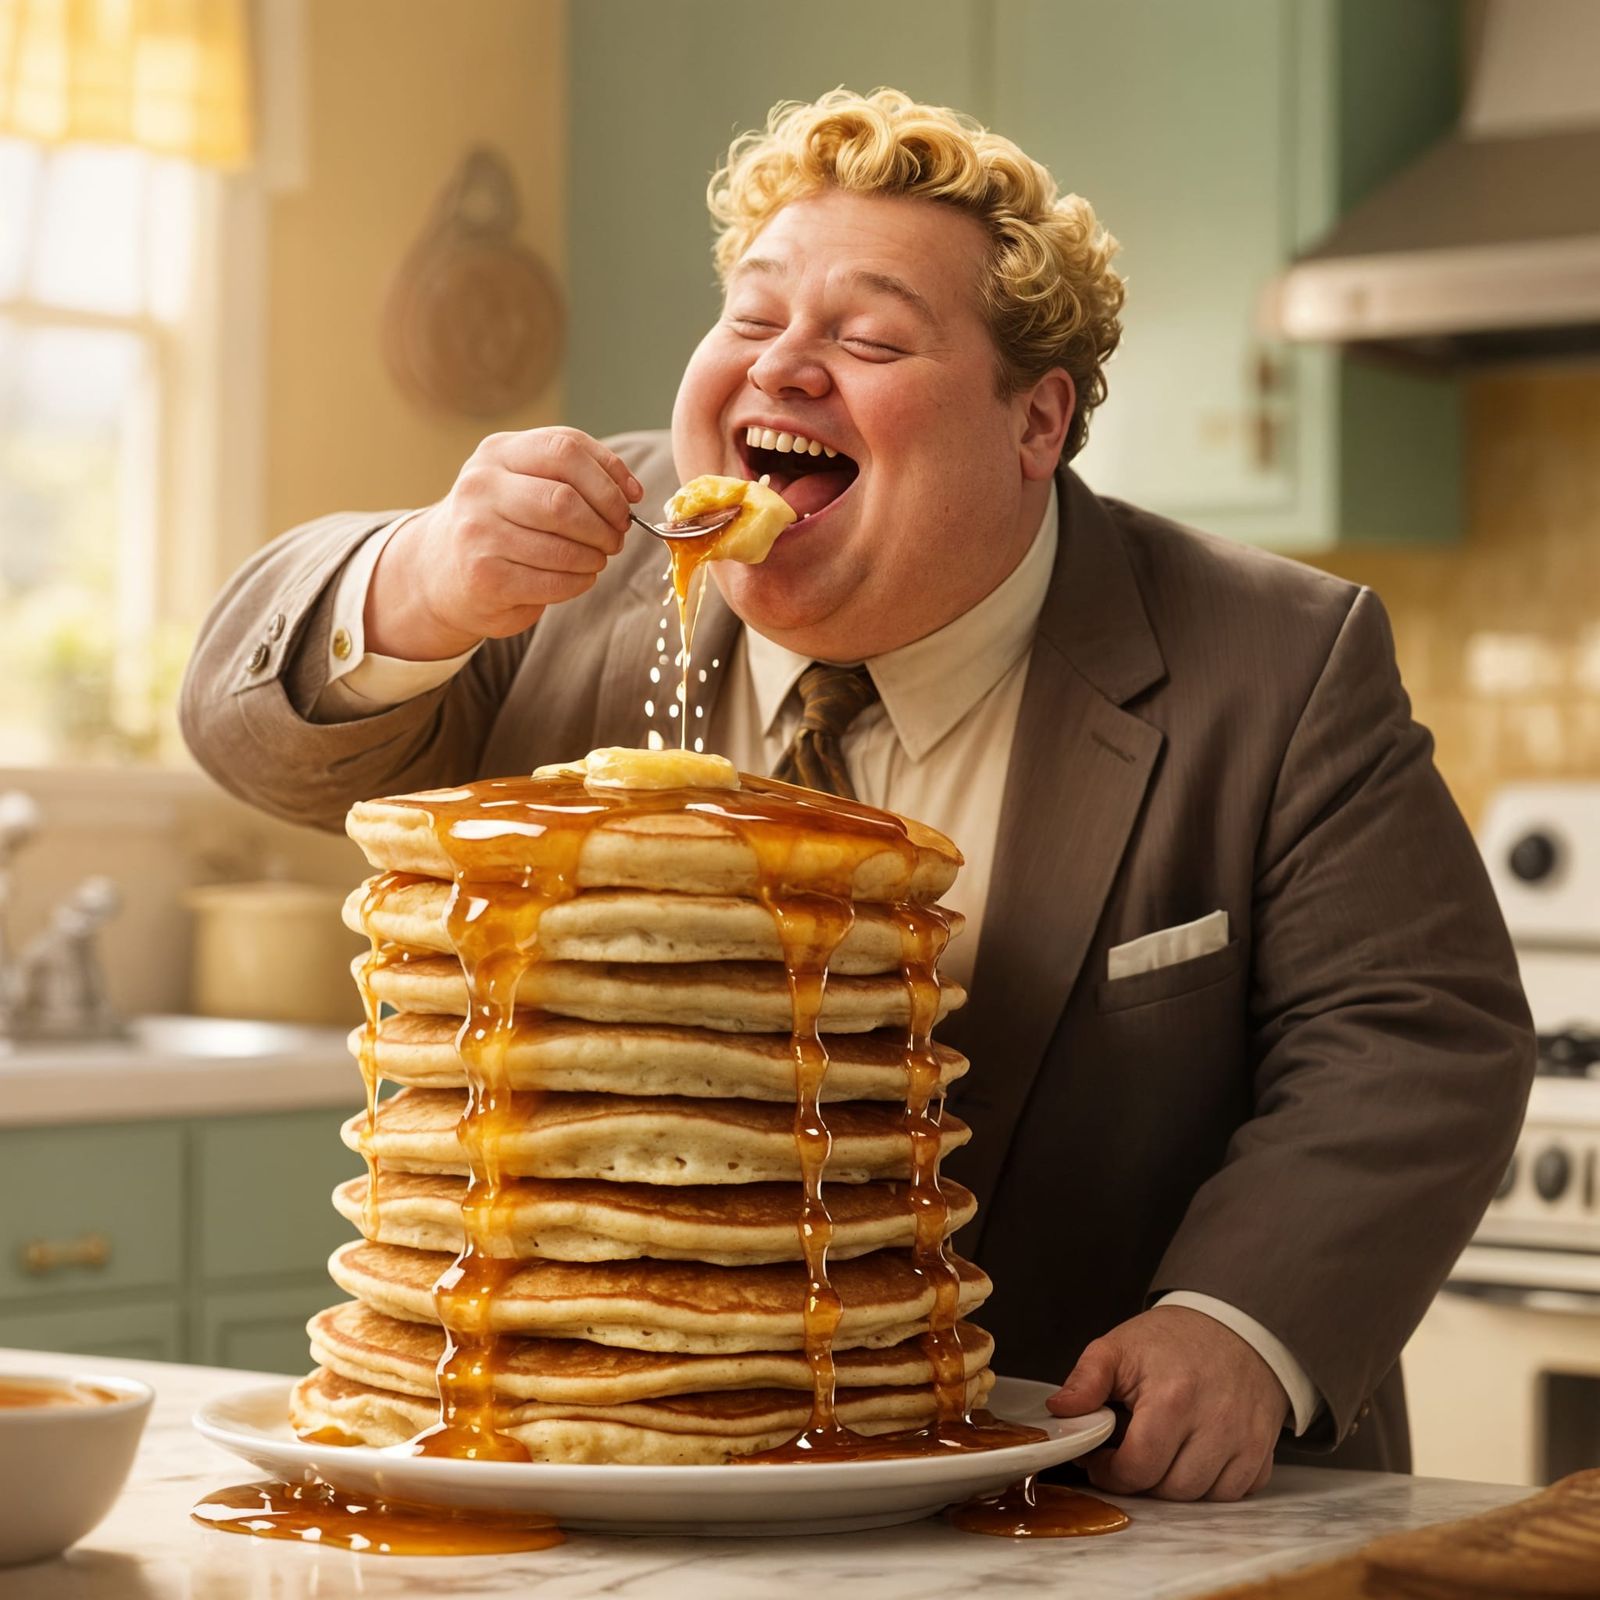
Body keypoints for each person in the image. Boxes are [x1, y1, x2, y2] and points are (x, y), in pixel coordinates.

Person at [181, 89, 1533, 1502]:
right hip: (589, 1479)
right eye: (752, 319)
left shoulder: (1273, 662)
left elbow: (1418, 1033)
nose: (785, 369)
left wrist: (1240, 1324)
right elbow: (237, 720)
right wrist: (416, 579)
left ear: (1036, 421)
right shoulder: (563, 573)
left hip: (1112, 1499)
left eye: (869, 336)